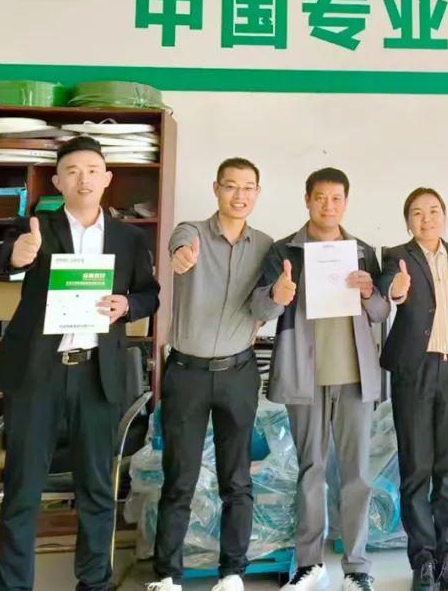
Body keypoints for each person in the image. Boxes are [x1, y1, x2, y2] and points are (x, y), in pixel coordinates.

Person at [0, 136, 159, 591]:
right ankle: (13, 586)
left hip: (96, 375)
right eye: (73, 171)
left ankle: (94, 583)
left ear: (107, 179)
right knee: (23, 487)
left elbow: (150, 294)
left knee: (98, 489)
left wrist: (128, 305)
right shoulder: (36, 226)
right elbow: (5, 258)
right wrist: (20, 255)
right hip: (36, 374)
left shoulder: (128, 237)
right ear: (58, 181)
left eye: (92, 170)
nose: (84, 179)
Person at [253, 168, 388, 591]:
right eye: (320, 198)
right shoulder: (283, 251)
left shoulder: (362, 252)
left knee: (356, 474)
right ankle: (310, 564)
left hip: (354, 379)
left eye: (336, 198)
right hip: (305, 376)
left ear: (346, 202)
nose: (328, 206)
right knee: (310, 470)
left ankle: (357, 567)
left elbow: (381, 312)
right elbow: (261, 309)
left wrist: (369, 293)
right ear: (307, 200)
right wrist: (276, 295)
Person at [148, 158, 274, 591]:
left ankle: (232, 572)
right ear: (216, 188)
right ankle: (167, 575)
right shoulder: (192, 232)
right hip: (187, 373)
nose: (240, 195)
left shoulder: (266, 246)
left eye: (248, 187)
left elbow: (263, 307)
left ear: (257, 193)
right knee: (179, 478)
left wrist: (278, 297)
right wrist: (181, 257)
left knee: (236, 480)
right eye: (231, 186)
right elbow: (179, 248)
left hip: (238, 372)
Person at [377, 188, 448, 591]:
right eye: (417, 213)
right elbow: (390, 289)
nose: (427, 219)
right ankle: (421, 560)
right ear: (408, 222)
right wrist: (398, 288)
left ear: (445, 216)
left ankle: (446, 562)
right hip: (414, 370)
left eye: (434, 211)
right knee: (416, 469)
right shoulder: (395, 255)